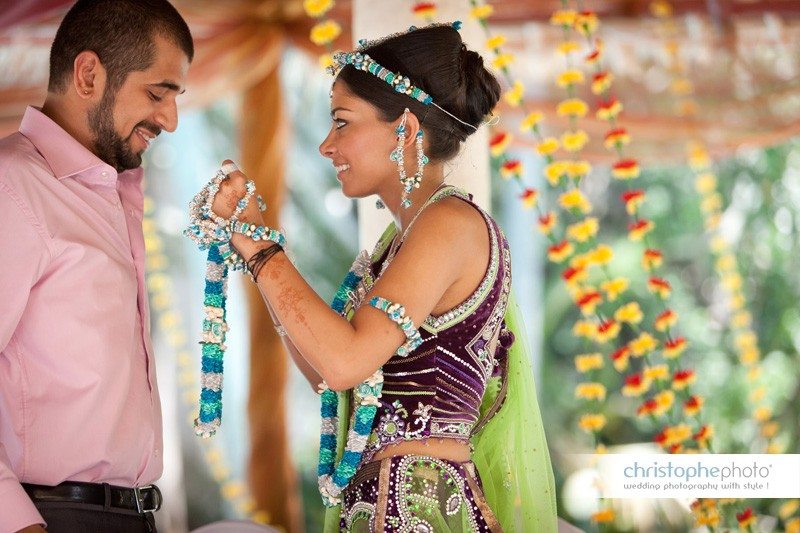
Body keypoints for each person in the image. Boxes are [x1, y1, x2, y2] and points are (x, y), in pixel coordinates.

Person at [201, 23, 556, 532]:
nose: (327, 146)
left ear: (405, 129)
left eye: (341, 123)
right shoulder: (397, 243)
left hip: (420, 509)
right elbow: (329, 374)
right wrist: (254, 253)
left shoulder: (448, 225)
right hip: (381, 503)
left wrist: (264, 252)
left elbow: (345, 361)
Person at [0, 1, 192, 531]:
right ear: (89, 74)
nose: (170, 120)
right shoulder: (13, 186)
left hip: (133, 515)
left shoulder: (117, 193)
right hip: (52, 516)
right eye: (158, 94)